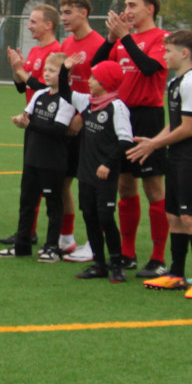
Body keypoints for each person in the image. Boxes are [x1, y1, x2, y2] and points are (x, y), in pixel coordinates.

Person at [91, 0, 170, 278]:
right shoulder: (124, 40)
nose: (127, 10)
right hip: (121, 116)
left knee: (153, 186)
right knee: (125, 185)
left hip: (148, 117)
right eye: (126, 4)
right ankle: (127, 253)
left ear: (150, 9)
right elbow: (97, 66)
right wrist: (113, 39)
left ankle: (159, 257)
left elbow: (150, 68)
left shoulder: (162, 39)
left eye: (133, 4)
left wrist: (124, 37)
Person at [132, 30, 192, 299]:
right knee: (174, 216)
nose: (164, 56)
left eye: (168, 51)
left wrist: (154, 145)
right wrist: (153, 139)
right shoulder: (174, 83)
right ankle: (177, 274)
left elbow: (188, 128)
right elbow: (175, 123)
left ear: (185, 53)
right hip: (177, 157)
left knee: (190, 217)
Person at [0, 52, 77, 262]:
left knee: (53, 204)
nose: (47, 74)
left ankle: (52, 247)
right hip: (32, 158)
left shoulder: (67, 99)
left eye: (53, 70)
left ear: (64, 75)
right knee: (27, 202)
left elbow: (59, 129)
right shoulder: (39, 94)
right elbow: (27, 117)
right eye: (46, 70)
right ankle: (22, 245)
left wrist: (30, 124)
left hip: (53, 161)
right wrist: (19, 121)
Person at [1, 4, 62, 246]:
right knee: (30, 182)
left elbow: (45, 88)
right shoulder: (36, 50)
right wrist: (17, 68)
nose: (29, 26)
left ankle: (57, 238)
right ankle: (27, 231)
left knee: (49, 185)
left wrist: (20, 70)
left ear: (49, 25)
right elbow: (24, 87)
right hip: (33, 123)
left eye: (34, 21)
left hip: (49, 125)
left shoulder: (56, 52)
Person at [71, 61, 134, 283]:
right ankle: (99, 264)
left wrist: (107, 163)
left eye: (94, 78)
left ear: (105, 82)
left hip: (104, 175)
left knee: (106, 217)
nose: (88, 81)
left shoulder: (116, 107)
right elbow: (63, 89)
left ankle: (116, 264)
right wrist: (63, 69)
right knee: (89, 217)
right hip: (86, 173)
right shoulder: (87, 102)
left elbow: (125, 140)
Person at [58, 0, 105, 262]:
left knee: (90, 184)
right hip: (67, 121)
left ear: (83, 13)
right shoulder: (66, 43)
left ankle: (93, 242)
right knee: (63, 181)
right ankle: (66, 237)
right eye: (62, 12)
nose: (63, 18)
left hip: (88, 123)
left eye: (68, 12)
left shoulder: (98, 44)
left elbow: (103, 87)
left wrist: (82, 116)